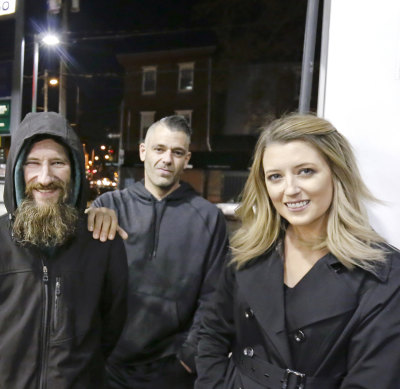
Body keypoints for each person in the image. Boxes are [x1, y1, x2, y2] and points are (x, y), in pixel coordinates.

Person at [195, 113, 400, 388]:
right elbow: (212, 333)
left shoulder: (383, 272)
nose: (290, 189)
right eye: (275, 177)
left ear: (336, 174)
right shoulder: (248, 250)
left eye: (306, 171)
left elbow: (374, 379)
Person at [0, 112, 129, 389]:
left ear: (75, 170)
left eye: (58, 163)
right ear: (17, 169)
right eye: (33, 163)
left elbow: (111, 328)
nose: (45, 177)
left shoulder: (103, 243)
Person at [87, 115, 229, 388]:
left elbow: (215, 297)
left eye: (177, 152)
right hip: (108, 365)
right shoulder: (109, 207)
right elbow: (84, 284)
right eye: (159, 149)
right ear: (143, 151)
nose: (167, 159)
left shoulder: (208, 218)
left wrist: (188, 359)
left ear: (187, 158)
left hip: (171, 369)